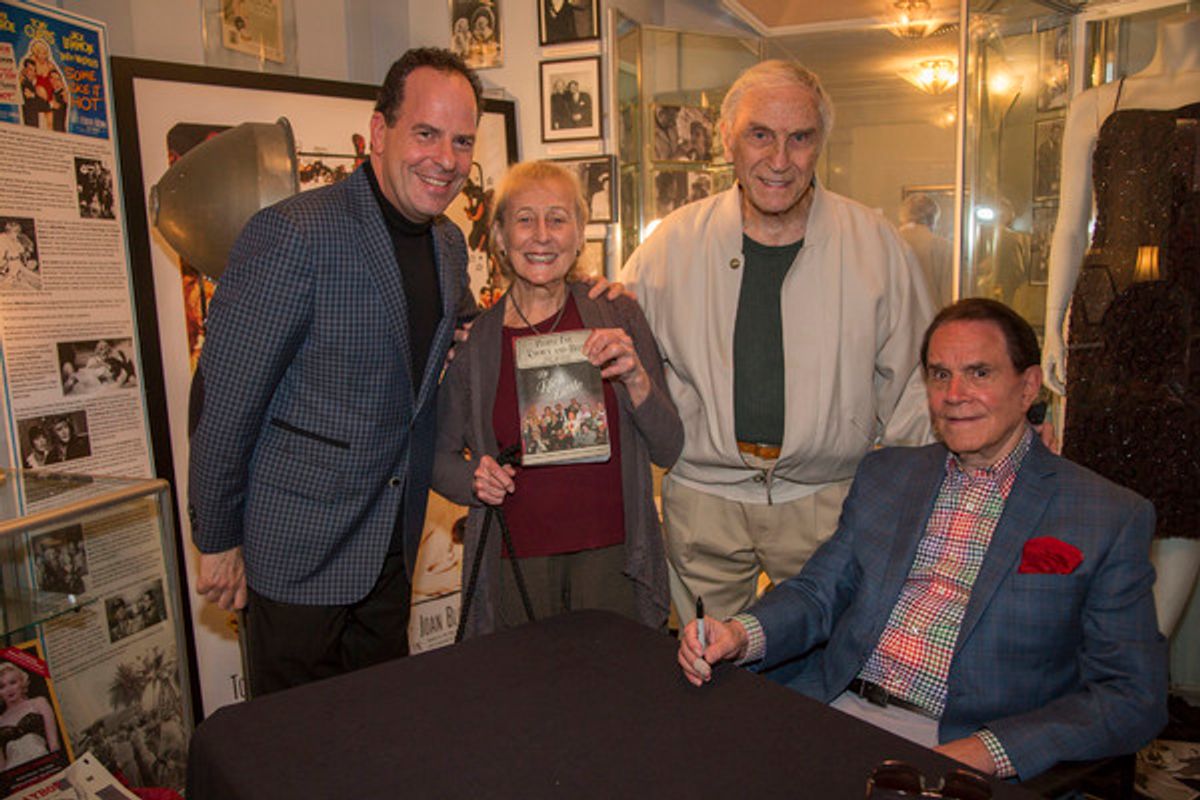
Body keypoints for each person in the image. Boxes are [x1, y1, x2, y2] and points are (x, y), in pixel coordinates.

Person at [678, 299, 1167, 781]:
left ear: (1028, 387)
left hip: (958, 744)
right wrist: (740, 635)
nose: (955, 394)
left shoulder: (1105, 515)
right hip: (833, 706)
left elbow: (1131, 695)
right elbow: (818, 593)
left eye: (979, 373)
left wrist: (989, 752)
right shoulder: (888, 474)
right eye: (939, 375)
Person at [188, 48, 483, 697]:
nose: (445, 159)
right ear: (379, 133)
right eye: (426, 133)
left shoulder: (449, 245)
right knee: (294, 755)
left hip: (392, 550)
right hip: (297, 554)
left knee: (375, 739)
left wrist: (580, 305)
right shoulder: (294, 233)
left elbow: (467, 332)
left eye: (462, 141)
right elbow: (225, 398)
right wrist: (218, 538)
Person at [621, 59, 932, 624]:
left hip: (828, 503)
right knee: (708, 675)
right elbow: (617, 353)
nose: (780, 160)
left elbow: (914, 385)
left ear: (821, 143)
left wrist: (910, 509)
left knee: (829, 669)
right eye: (759, 135)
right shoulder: (670, 247)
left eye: (800, 138)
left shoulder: (876, 246)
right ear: (726, 138)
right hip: (704, 503)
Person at [433, 161, 683, 635]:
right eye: (524, 219)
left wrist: (636, 379)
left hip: (613, 562)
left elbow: (670, 446)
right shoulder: (477, 343)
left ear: (578, 235)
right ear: (501, 237)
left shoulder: (618, 314)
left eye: (558, 218)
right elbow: (436, 456)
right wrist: (474, 479)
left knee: (615, 699)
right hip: (515, 566)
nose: (541, 235)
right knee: (528, 703)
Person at [1042, 10, 1200, 638]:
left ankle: (1143, 676)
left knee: (1186, 498)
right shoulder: (1096, 102)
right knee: (1102, 488)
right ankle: (1096, 669)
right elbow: (1068, 222)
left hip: (1191, 322)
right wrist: (1052, 322)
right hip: (1106, 319)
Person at [0, 662, 61, 770]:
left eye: (13, 682)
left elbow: (54, 745)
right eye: (2, 686)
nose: (9, 689)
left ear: (22, 682)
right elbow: (1, 765)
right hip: (15, 774)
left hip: (44, 765)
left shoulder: (39, 703)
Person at [898, 193, 952, 308]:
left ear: (902, 216)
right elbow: (949, 296)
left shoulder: (889, 242)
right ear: (934, 218)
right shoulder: (943, 247)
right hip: (932, 321)